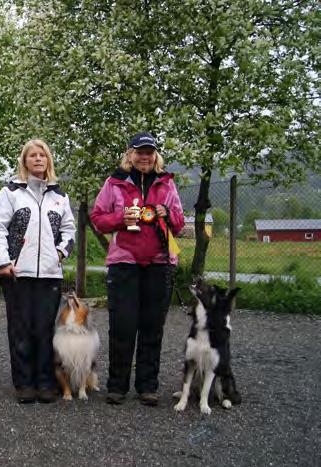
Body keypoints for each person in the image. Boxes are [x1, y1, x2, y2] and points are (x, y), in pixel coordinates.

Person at [90, 131, 184, 406]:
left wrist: (168, 214)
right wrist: (121, 217)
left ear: (155, 156)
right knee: (122, 325)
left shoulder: (167, 184)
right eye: (139, 152)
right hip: (124, 262)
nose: (144, 157)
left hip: (159, 262)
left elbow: (179, 224)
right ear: (130, 154)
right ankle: (117, 386)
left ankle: (147, 386)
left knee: (152, 326)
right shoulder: (114, 183)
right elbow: (97, 218)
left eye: (149, 152)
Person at [0, 139, 76, 404]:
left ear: (48, 160)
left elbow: (69, 230)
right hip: (17, 273)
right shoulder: (10, 192)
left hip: (50, 274)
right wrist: (3, 261)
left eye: (43, 155)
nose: (38, 159)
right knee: (20, 328)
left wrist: (60, 253)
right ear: (24, 161)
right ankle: (24, 384)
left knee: (45, 329)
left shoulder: (60, 197)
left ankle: (46, 383)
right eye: (32, 156)